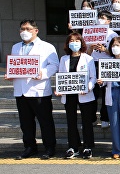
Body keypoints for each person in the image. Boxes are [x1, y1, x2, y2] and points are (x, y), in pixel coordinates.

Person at [7, 20, 59, 160]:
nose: (25, 31)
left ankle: (49, 147)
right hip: (21, 90)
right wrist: (10, 74)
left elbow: (54, 65)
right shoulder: (16, 47)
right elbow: (15, 66)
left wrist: (42, 73)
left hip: (39, 90)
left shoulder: (47, 47)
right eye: (22, 29)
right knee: (26, 122)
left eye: (28, 28)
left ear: (36, 30)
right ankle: (29, 147)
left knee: (45, 121)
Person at [56, 33, 97, 159]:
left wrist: (88, 88)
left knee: (86, 121)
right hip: (69, 95)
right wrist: (59, 89)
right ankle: (73, 147)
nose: (74, 43)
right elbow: (61, 76)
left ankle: (88, 147)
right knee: (71, 121)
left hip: (84, 94)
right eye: (71, 40)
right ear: (68, 43)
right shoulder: (64, 59)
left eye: (77, 40)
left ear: (81, 42)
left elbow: (93, 78)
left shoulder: (88, 58)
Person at [88, 10, 118, 129]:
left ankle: (105, 117)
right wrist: (91, 48)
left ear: (108, 21)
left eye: (103, 18)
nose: (100, 19)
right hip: (93, 63)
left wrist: (104, 49)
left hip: (107, 64)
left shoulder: (113, 35)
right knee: (93, 91)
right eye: (99, 17)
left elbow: (116, 52)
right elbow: (86, 53)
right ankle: (92, 118)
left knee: (106, 92)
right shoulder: (91, 32)